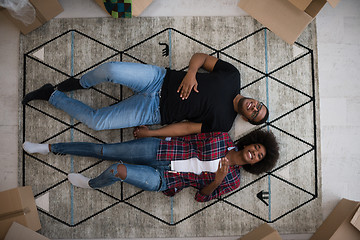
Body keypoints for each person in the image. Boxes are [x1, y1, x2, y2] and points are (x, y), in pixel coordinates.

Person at [22, 53, 269, 137]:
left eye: (255, 113)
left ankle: (51, 95)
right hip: (159, 79)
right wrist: (192, 73)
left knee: (97, 122)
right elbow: (201, 58)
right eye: (259, 105)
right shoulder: (233, 76)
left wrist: (153, 132)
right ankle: (82, 82)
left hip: (154, 111)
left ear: (248, 119)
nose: (254, 107)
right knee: (111, 69)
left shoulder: (224, 124)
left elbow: (185, 129)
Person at [23, 130, 279, 202]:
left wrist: (217, 179)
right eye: (257, 148)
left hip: (165, 179)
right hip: (159, 149)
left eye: (259, 156)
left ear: (257, 164)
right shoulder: (223, 138)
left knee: (117, 171)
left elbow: (201, 198)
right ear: (251, 143)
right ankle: (48, 148)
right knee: (105, 151)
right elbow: (189, 135)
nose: (255, 153)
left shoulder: (233, 181)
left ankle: (92, 184)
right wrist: (155, 135)